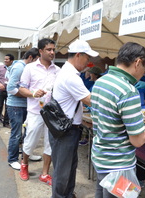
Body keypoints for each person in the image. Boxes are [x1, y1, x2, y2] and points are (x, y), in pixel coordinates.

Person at [90, 42, 145, 198]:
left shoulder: (101, 81)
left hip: (101, 158)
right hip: (118, 165)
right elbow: (138, 140)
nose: (143, 72)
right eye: (144, 67)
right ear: (137, 62)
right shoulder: (128, 91)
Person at [51, 39, 98, 197]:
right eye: (87, 58)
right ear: (78, 55)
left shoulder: (67, 72)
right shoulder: (71, 76)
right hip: (66, 130)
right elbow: (90, 100)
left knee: (69, 167)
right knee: (63, 171)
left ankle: (68, 194)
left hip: (66, 128)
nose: (88, 61)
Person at [19, 38, 60, 185]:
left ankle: (44, 173)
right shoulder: (30, 68)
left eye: (53, 50)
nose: (52, 52)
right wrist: (33, 93)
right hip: (35, 112)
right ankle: (24, 165)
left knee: (50, 144)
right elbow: (21, 89)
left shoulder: (57, 70)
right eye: (49, 49)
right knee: (30, 141)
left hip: (51, 113)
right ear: (41, 51)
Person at [6, 48, 40, 170]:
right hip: (15, 105)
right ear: (31, 57)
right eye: (37, 59)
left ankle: (26, 154)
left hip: (26, 105)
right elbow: (10, 88)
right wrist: (29, 94)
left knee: (28, 132)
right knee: (16, 134)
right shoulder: (20, 67)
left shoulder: (28, 68)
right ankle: (12, 159)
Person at [0, 54, 14, 131]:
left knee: (8, 107)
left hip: (10, 91)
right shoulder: (0, 67)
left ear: (11, 61)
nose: (5, 60)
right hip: (0, 90)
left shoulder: (14, 68)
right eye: (5, 59)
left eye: (7, 59)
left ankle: (6, 122)